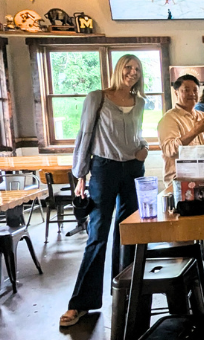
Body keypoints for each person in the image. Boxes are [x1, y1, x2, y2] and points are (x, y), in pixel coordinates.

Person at [60, 54, 150, 327]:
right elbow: (85, 134)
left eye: (137, 69)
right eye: (128, 67)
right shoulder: (97, 97)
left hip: (133, 169)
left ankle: (125, 291)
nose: (132, 72)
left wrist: (144, 147)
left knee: (130, 232)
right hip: (103, 170)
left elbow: (136, 135)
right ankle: (80, 304)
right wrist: (80, 175)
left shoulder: (141, 102)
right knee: (97, 234)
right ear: (118, 69)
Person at [157, 75, 204, 190]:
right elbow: (169, 149)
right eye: (186, 90)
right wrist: (194, 132)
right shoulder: (169, 119)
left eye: (195, 90)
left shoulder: (202, 115)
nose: (192, 94)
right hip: (180, 183)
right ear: (176, 93)